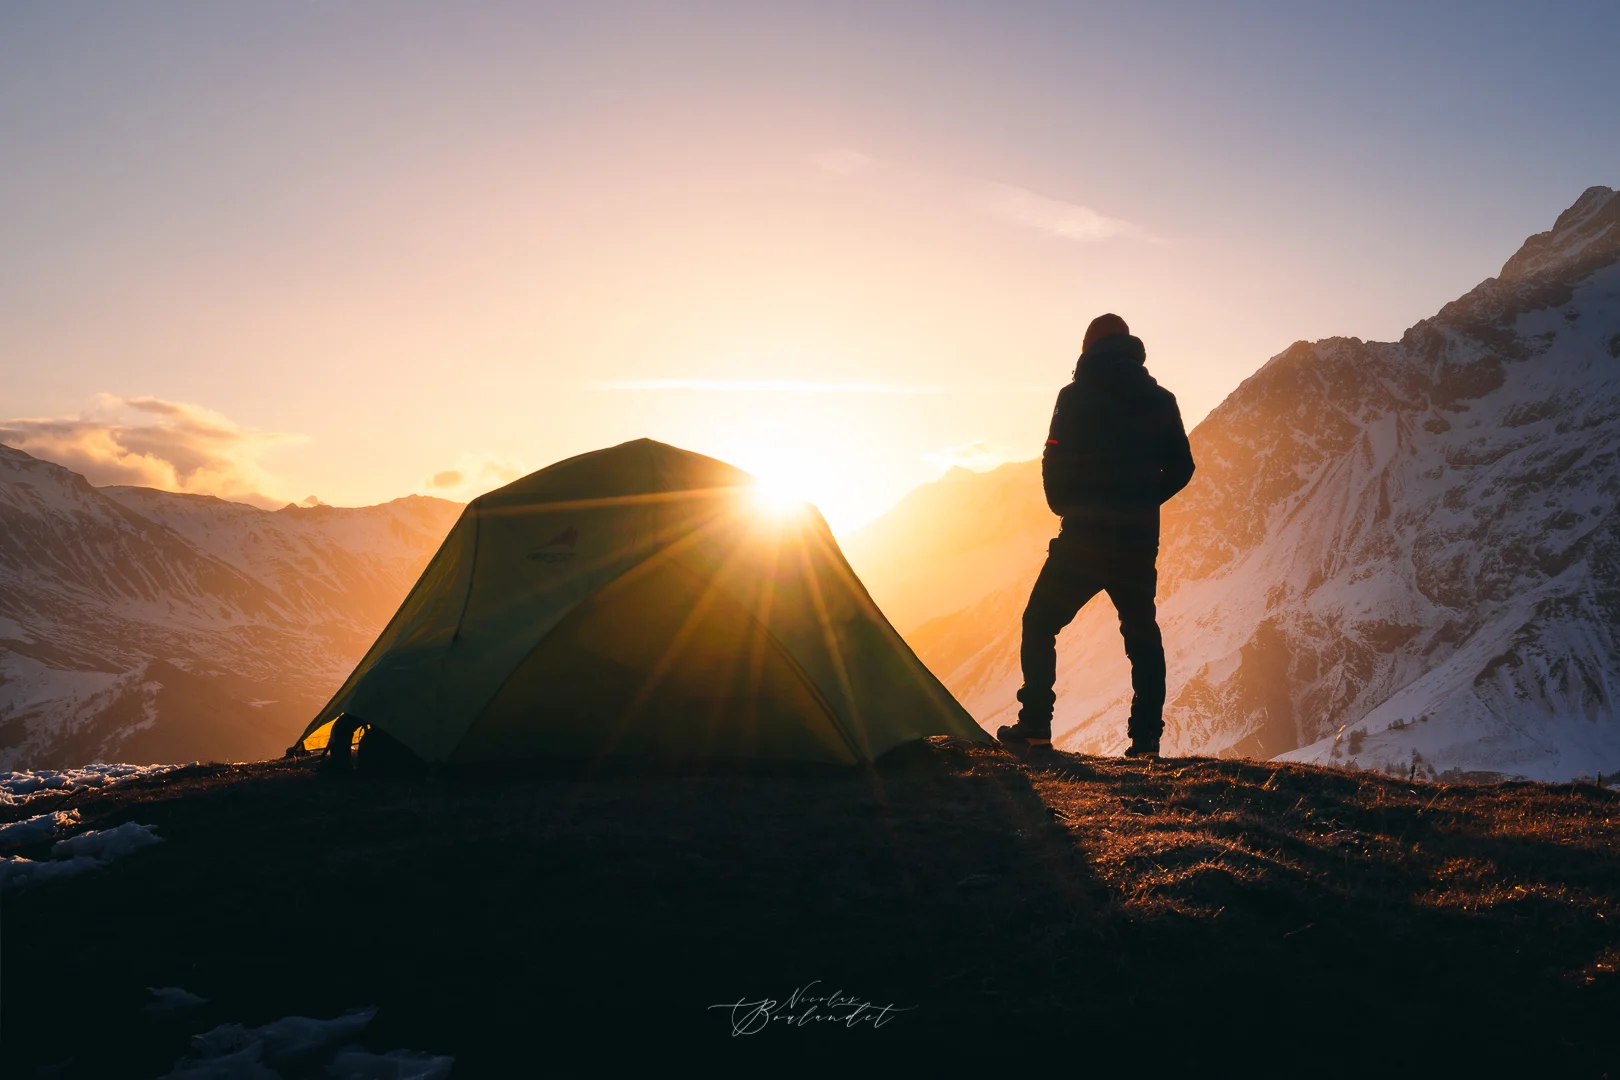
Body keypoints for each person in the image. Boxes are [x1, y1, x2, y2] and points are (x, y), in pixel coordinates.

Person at [998, 313, 1195, 760]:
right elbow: (1183, 468)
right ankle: (1145, 742)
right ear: (1131, 347)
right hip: (1137, 541)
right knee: (1142, 635)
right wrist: (1143, 500)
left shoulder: (1074, 396)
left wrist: (1067, 506)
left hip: (1084, 536)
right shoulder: (1161, 400)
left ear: (1088, 347)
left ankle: (1034, 728)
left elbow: (1053, 459)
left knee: (1040, 623)